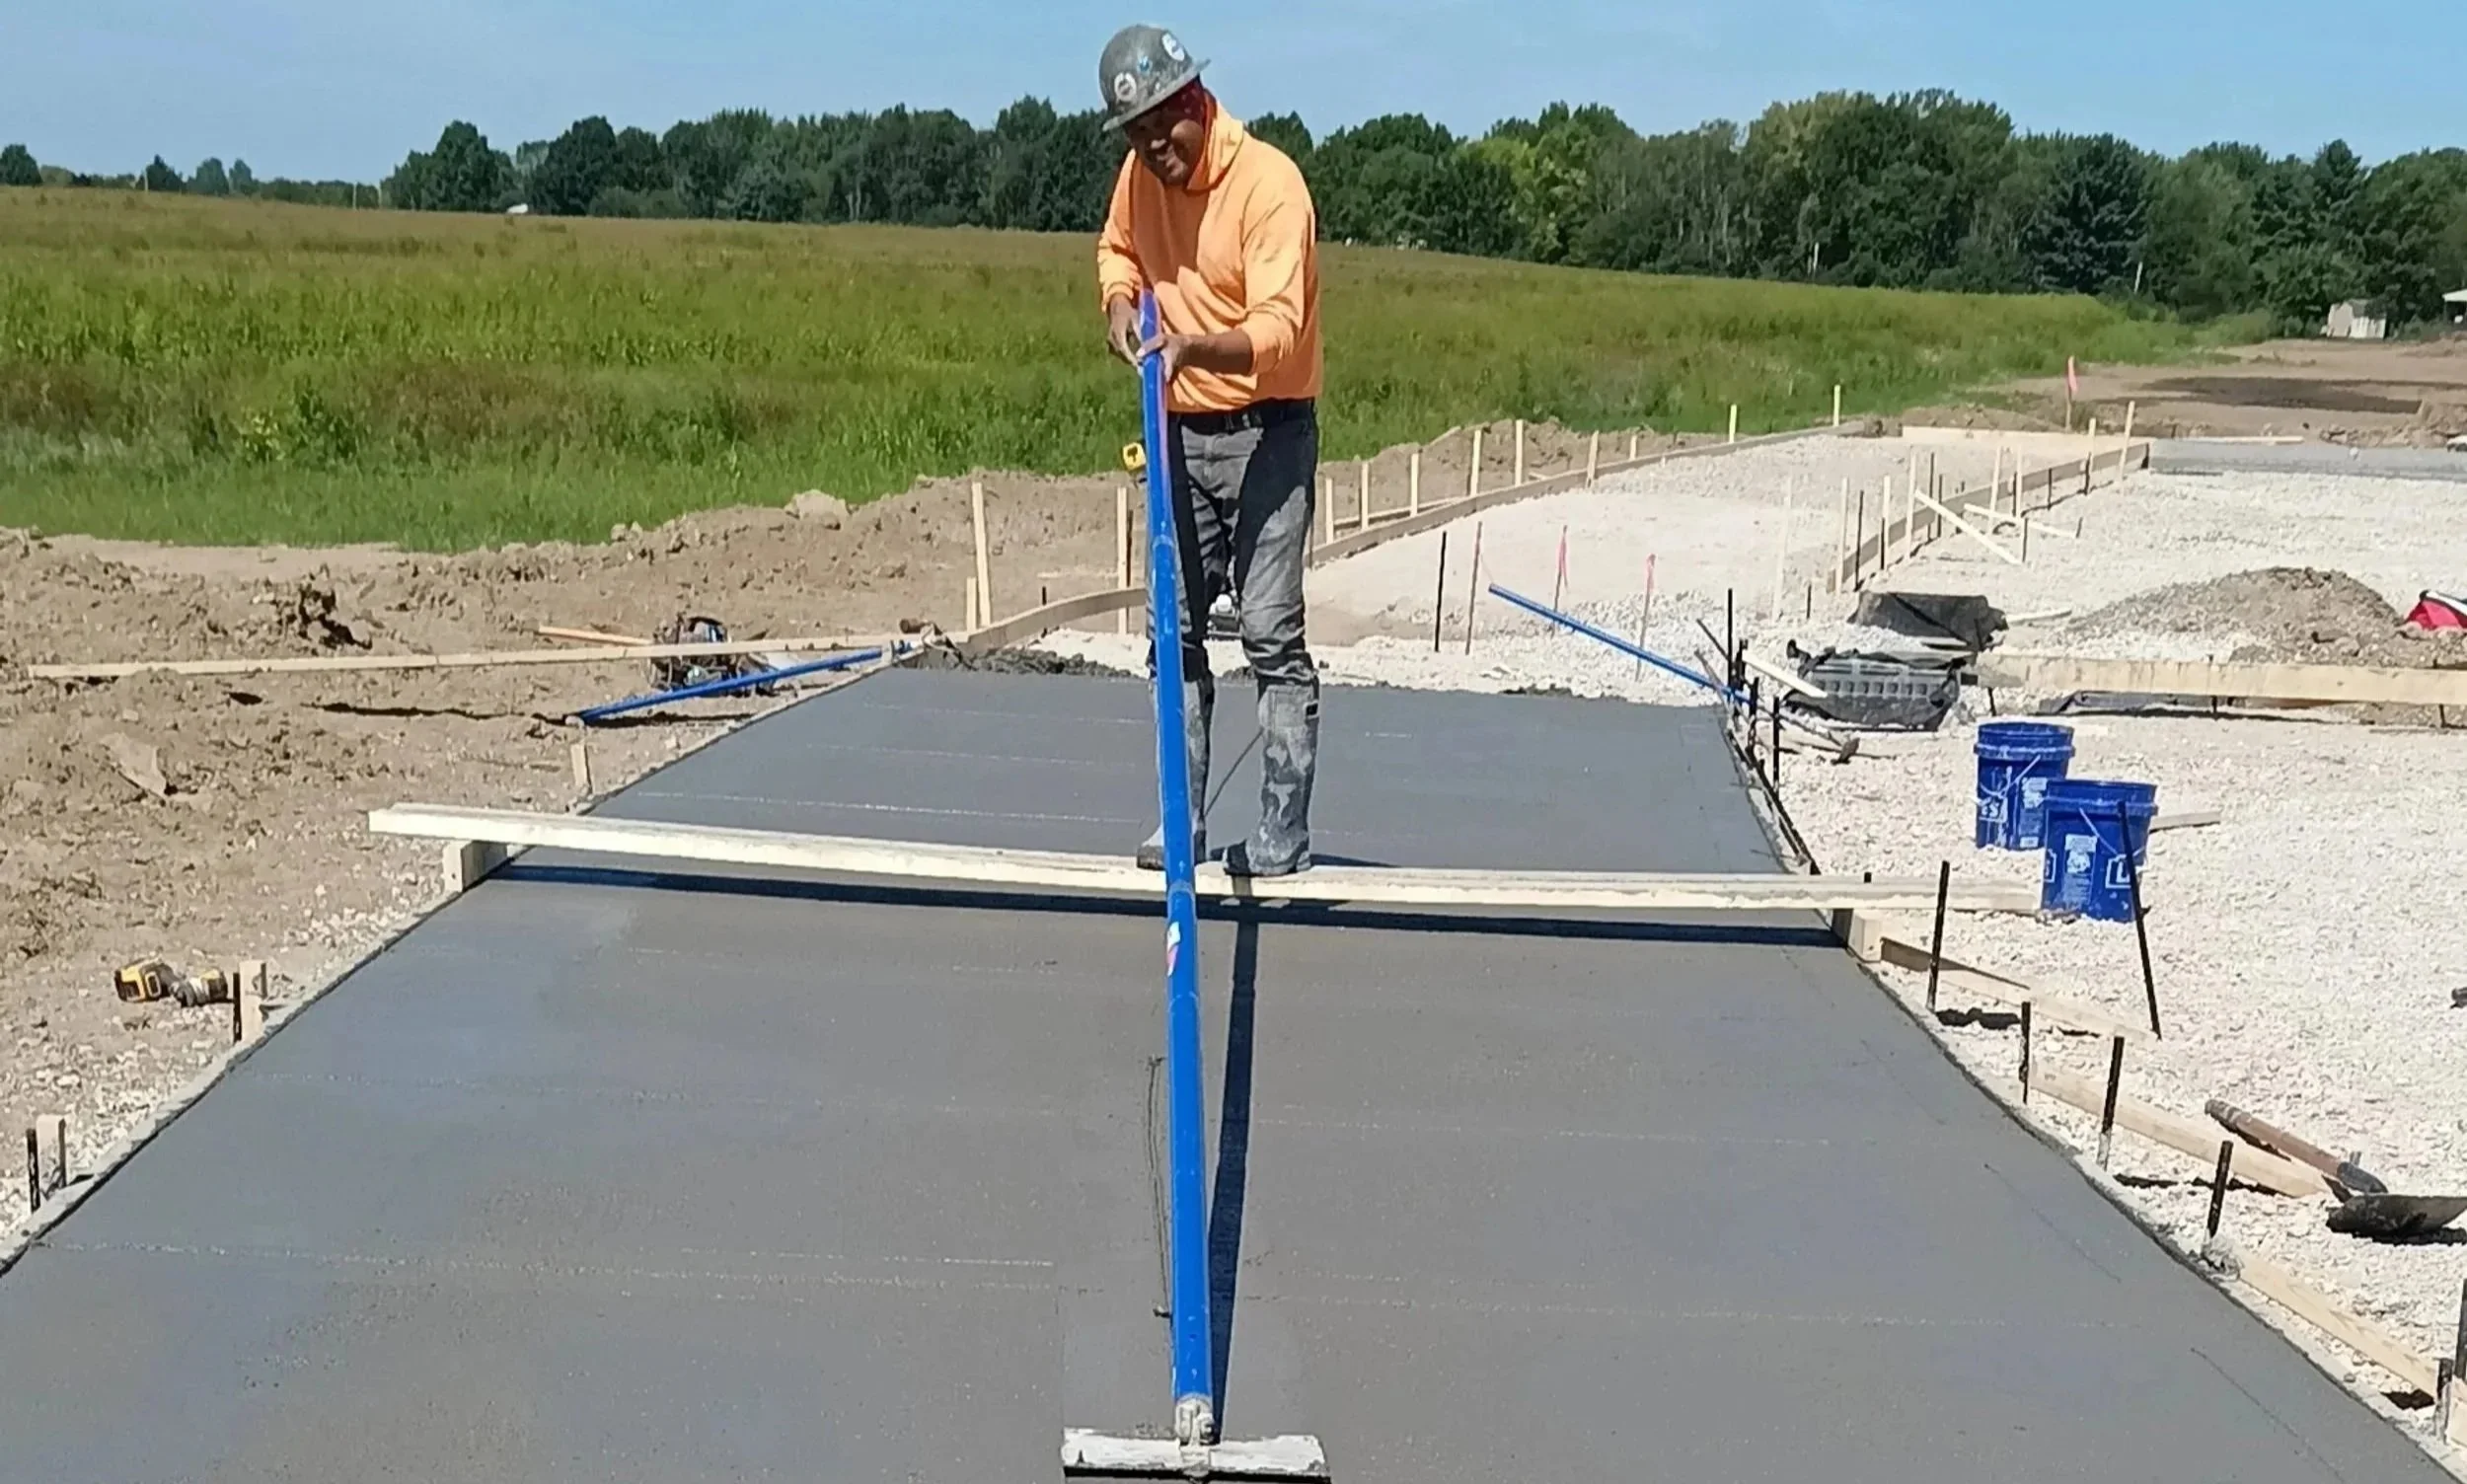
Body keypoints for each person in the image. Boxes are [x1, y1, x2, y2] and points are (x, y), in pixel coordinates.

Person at [1093, 23, 1323, 878]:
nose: (1157, 151)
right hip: (1179, 431)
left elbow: (1277, 327)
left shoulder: (1270, 186)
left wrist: (1194, 348)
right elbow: (1118, 249)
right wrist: (1120, 303)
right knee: (1176, 632)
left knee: (1266, 631)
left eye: (1167, 127)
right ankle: (1178, 823)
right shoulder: (1137, 178)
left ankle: (1280, 832)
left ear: (1196, 100)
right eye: (1138, 138)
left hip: (1271, 426)